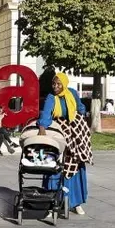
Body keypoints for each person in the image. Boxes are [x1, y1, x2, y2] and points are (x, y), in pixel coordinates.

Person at [38, 72, 91, 215]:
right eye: (54, 84)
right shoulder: (51, 98)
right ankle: (52, 202)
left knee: (75, 161)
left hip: (74, 131)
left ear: (64, 84)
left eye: (58, 84)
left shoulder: (72, 93)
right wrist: (42, 128)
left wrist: (79, 120)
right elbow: (46, 115)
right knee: (56, 164)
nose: (55, 86)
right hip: (59, 131)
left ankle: (76, 202)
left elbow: (80, 108)